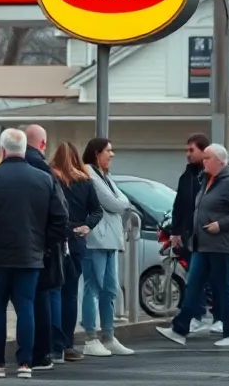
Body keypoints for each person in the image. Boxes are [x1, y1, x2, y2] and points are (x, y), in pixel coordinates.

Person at [0, 128, 69, 379]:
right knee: (26, 307)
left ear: (2, 150)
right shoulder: (44, 179)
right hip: (31, 255)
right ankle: (25, 364)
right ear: (24, 149)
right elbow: (61, 218)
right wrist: (43, 244)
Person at [156, 143, 229, 349]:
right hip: (202, 244)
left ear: (220, 161)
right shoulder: (206, 180)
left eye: (207, 158)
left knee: (223, 288)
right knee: (193, 285)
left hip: (221, 246)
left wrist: (221, 225)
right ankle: (179, 329)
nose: (204, 161)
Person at [80, 138, 135, 356]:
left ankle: (109, 336)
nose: (112, 155)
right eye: (108, 151)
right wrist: (120, 202)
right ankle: (90, 338)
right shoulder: (89, 174)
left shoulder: (105, 176)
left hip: (110, 240)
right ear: (96, 153)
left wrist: (120, 201)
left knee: (109, 290)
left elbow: (121, 200)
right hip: (95, 241)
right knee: (93, 288)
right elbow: (116, 203)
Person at [49, 141, 102, 363]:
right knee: (70, 293)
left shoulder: (51, 178)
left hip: (55, 239)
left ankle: (54, 345)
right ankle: (69, 345)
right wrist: (87, 226)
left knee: (53, 292)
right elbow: (97, 210)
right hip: (78, 241)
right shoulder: (85, 181)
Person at [23, 125, 68, 373]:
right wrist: (49, 243)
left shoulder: (0, 171)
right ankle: (41, 352)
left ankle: (22, 354)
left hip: (12, 248)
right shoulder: (44, 171)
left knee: (20, 300)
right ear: (42, 144)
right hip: (39, 248)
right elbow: (60, 214)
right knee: (40, 300)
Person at [171, 132, 221, 334]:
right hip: (192, 239)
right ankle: (198, 316)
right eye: (187, 150)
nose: (188, 154)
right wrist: (175, 232)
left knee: (216, 279)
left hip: (214, 238)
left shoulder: (215, 176)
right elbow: (179, 206)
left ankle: (221, 318)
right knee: (195, 279)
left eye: (192, 150)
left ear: (204, 151)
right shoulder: (186, 177)